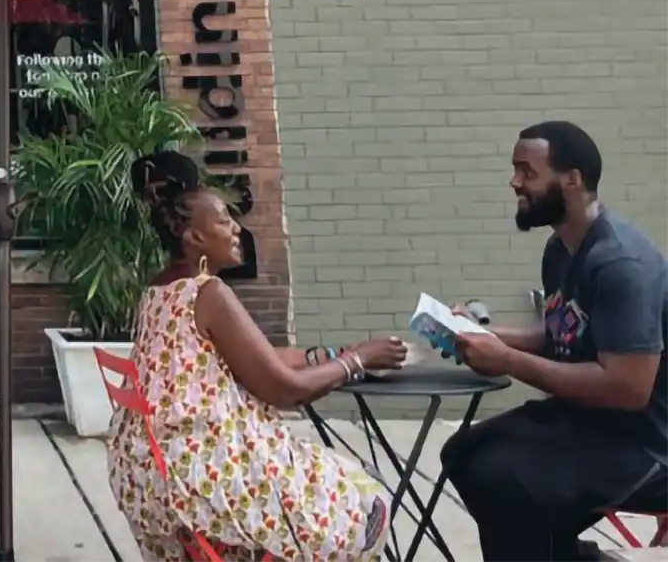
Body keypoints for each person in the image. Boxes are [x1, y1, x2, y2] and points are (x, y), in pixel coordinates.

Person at [107, 151, 404, 562]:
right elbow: (285, 390)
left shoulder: (156, 292)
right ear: (194, 237)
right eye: (225, 221)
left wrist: (333, 354)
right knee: (369, 496)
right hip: (201, 486)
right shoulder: (207, 292)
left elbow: (255, 357)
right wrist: (360, 360)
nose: (237, 230)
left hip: (148, 476)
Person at [440, 122, 668, 562]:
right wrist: (485, 334)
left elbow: (629, 387)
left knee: (502, 478)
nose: (514, 182)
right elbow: (565, 332)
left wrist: (505, 359)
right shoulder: (560, 250)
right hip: (589, 422)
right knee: (464, 454)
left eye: (526, 171)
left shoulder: (621, 263)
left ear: (572, 179)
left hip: (645, 443)